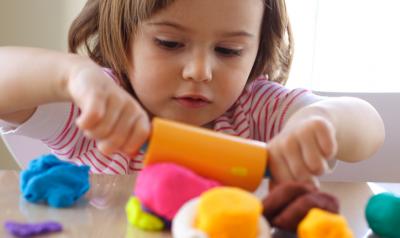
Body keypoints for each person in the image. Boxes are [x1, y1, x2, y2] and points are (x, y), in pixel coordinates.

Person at [0, 0, 384, 184]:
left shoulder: (257, 108)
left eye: (228, 51)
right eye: (169, 43)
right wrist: (71, 76)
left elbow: (369, 127)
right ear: (124, 38)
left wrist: (321, 121)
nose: (200, 71)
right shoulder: (99, 111)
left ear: (256, 52)